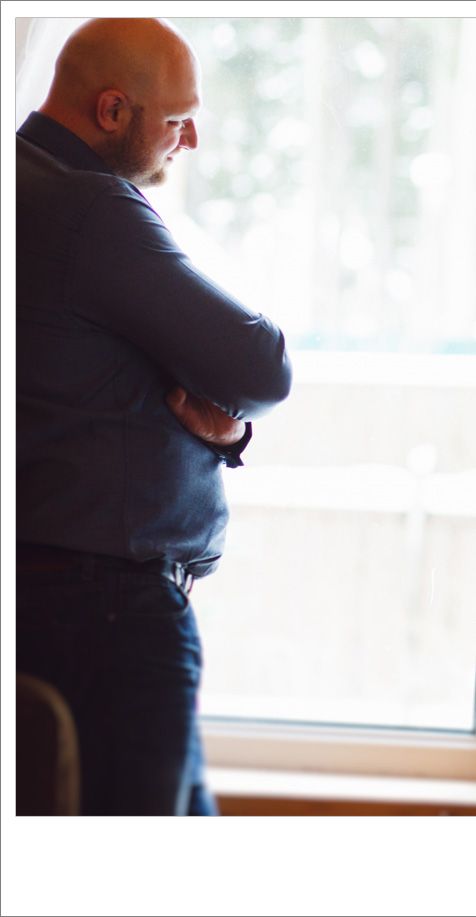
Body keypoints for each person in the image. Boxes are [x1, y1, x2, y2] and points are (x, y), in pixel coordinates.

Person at [15, 18, 293, 815]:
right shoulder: (90, 210)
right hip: (101, 613)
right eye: (176, 120)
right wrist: (236, 418)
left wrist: (227, 433)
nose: (191, 139)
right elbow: (259, 366)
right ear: (112, 111)